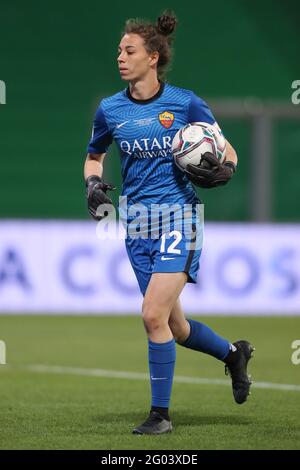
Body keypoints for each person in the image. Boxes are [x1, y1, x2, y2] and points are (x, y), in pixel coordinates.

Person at [84, 12, 254, 435]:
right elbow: (95, 155)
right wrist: (92, 183)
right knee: (173, 327)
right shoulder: (111, 109)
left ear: (153, 57)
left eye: (129, 51)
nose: (120, 57)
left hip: (180, 218)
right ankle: (234, 354)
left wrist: (224, 170)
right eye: (119, 50)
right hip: (137, 224)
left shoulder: (185, 103)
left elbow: (226, 151)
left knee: (150, 314)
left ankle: (160, 415)